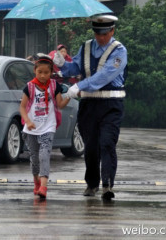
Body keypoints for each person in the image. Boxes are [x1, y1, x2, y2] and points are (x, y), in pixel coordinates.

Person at [53, 15, 127, 200]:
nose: (100, 37)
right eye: (97, 33)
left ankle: (107, 185)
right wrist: (62, 64)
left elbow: (105, 75)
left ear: (112, 31)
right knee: (91, 146)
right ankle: (92, 184)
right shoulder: (86, 47)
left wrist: (79, 86)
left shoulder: (119, 51)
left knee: (107, 143)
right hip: (88, 105)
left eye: (104, 33)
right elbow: (75, 68)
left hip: (110, 104)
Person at [19, 56, 71, 199]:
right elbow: (22, 107)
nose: (43, 75)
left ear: (51, 73)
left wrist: (69, 97)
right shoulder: (29, 87)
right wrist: (28, 121)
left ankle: (44, 186)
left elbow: (59, 105)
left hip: (48, 126)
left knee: (44, 155)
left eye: (46, 73)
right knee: (34, 157)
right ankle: (36, 181)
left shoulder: (54, 86)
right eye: (40, 72)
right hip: (32, 129)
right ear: (35, 71)